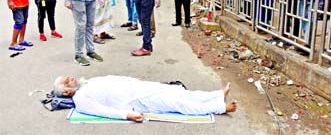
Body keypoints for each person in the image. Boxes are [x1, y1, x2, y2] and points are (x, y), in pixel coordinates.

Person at [53, 75, 237, 122]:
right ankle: (220, 107)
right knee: (178, 104)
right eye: (67, 81)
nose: (72, 79)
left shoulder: (87, 82)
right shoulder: (81, 100)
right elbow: (103, 111)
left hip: (139, 87)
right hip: (136, 101)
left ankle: (216, 95)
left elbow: (113, 78)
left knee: (178, 92)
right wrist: (127, 115)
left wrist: (134, 79)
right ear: (67, 92)